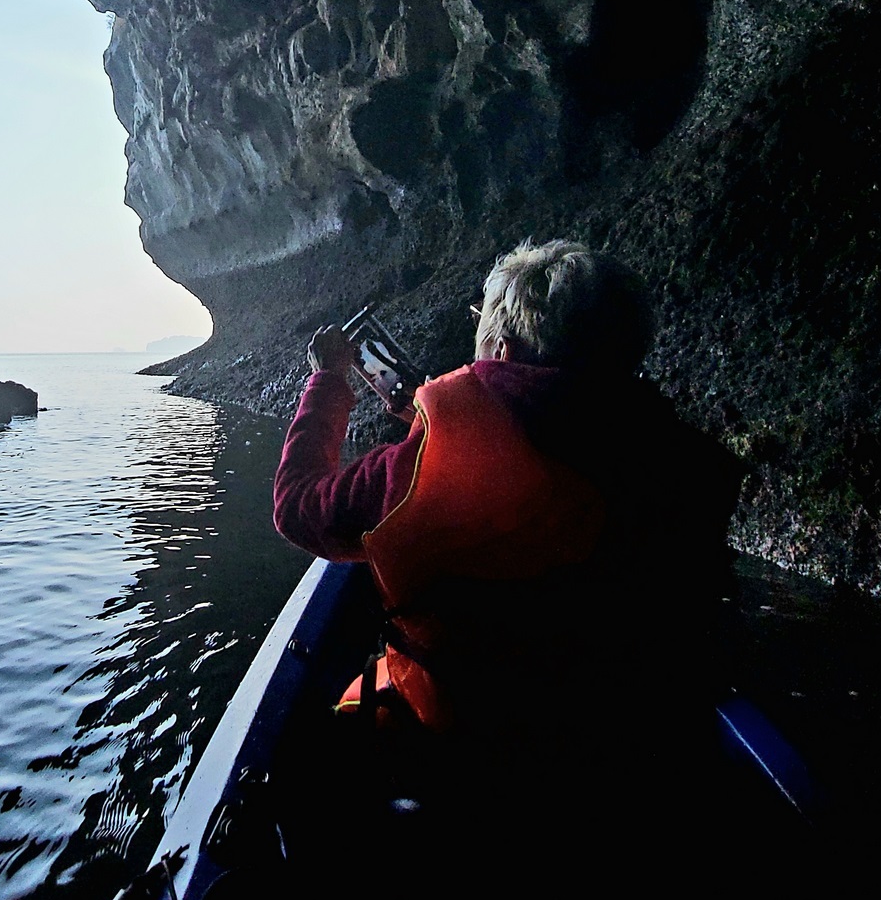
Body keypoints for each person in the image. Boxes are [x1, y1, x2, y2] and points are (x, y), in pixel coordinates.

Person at [273, 238, 742, 744]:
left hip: (466, 745)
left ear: (502, 351)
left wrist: (327, 382)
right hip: (621, 738)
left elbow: (298, 505)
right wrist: (443, 428)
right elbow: (563, 443)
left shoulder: (413, 470)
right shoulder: (683, 464)